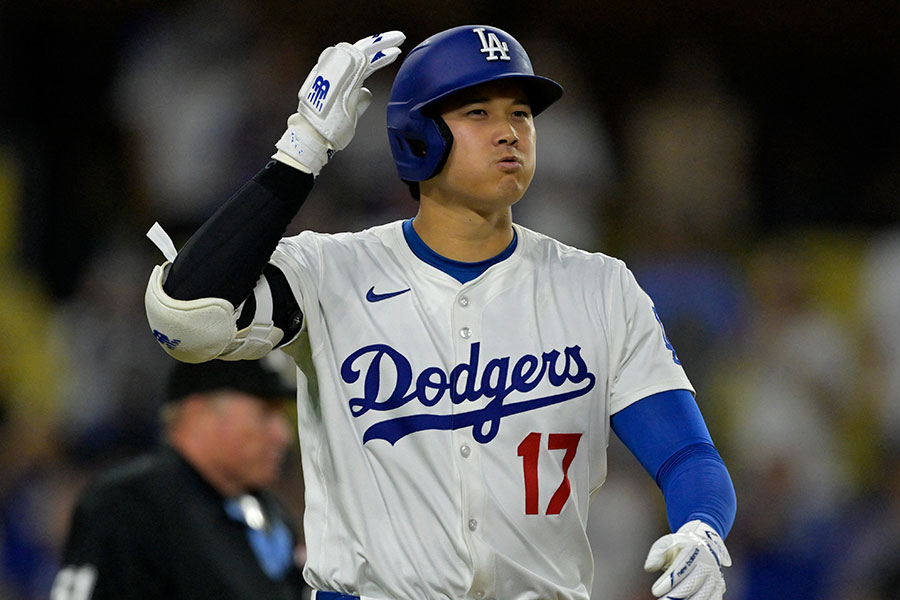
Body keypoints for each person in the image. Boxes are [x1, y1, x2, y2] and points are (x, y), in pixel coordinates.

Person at [143, 25, 737, 600]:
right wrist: (300, 149)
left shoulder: (598, 286)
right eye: (478, 113)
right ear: (417, 136)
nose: (509, 132)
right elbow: (188, 316)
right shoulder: (329, 273)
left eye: (521, 113)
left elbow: (687, 455)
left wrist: (703, 529)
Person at [50, 358, 310, 600]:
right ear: (199, 413)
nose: (283, 435)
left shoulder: (268, 511)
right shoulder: (126, 505)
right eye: (265, 413)